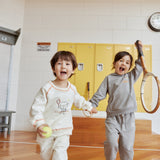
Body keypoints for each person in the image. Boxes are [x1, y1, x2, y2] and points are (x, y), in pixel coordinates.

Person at [30, 50, 98, 160]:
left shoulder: (72, 89)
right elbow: (36, 108)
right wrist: (40, 124)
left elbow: (79, 100)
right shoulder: (47, 88)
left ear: (73, 69)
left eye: (67, 64)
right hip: (48, 129)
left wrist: (89, 107)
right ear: (53, 68)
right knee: (46, 155)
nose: (63, 67)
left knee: (60, 154)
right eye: (59, 63)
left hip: (64, 129)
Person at [89, 41, 143, 160]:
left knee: (127, 147)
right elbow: (100, 93)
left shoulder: (130, 77)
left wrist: (140, 50)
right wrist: (92, 104)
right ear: (114, 63)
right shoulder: (109, 78)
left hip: (128, 119)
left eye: (127, 62)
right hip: (112, 118)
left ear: (129, 67)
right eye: (121, 60)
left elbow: (139, 66)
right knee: (112, 144)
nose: (124, 63)